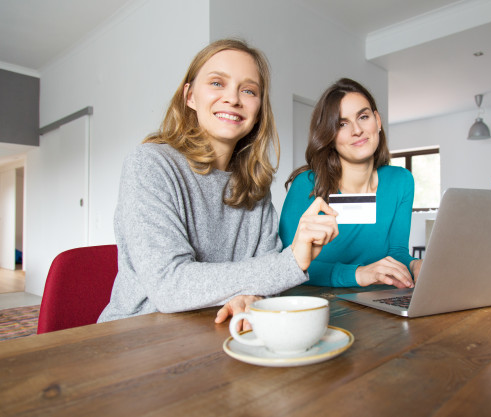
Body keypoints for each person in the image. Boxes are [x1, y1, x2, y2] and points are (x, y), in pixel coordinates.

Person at [98, 39, 338, 326]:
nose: (233, 98)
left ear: (259, 108)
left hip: (220, 331)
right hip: (139, 337)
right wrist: (292, 261)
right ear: (189, 96)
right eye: (216, 83)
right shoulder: (150, 164)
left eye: (248, 90)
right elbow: (170, 285)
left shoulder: (254, 188)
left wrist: (253, 299)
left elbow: (268, 280)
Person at [279, 78, 421, 288]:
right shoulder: (306, 185)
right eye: (342, 124)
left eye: (363, 117)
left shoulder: (400, 181)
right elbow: (288, 265)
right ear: (329, 135)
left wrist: (415, 265)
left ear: (377, 121)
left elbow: (397, 253)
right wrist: (359, 274)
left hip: (379, 302)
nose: (357, 130)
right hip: (320, 306)